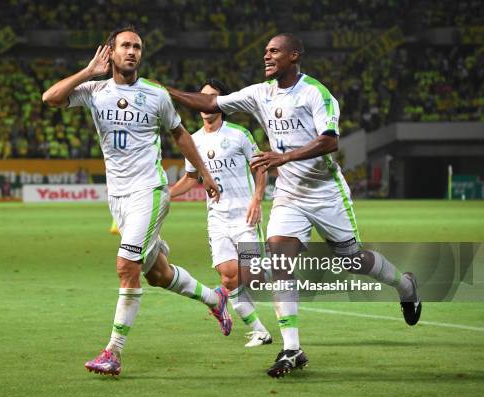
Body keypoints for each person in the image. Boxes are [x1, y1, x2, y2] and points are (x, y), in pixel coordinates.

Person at [165, 33, 422, 378]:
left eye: (274, 52)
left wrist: (283, 157)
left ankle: (404, 285)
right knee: (279, 260)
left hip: (326, 192)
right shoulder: (259, 93)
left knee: (353, 259)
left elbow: (330, 141)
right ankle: (292, 348)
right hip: (288, 195)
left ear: (294, 56)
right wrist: (163, 92)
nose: (266, 57)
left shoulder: (316, 93)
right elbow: (211, 104)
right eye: (265, 52)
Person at [42, 26, 231, 377]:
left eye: (137, 47)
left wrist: (203, 173)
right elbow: (49, 98)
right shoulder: (94, 89)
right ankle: (214, 298)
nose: (132, 52)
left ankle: (113, 352)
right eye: (125, 46)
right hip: (117, 196)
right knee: (158, 274)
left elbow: (181, 136)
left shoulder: (156, 95)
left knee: (126, 266)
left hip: (150, 190)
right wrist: (86, 71)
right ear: (110, 52)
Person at [169, 79, 272, 348]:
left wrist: (257, 200)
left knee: (253, 276)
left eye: (212, 97)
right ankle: (259, 331)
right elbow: (191, 178)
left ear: (221, 103)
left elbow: (260, 168)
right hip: (217, 218)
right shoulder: (192, 141)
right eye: (201, 97)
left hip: (245, 216)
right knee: (228, 275)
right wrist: (163, 194)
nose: (205, 102)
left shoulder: (239, 134)